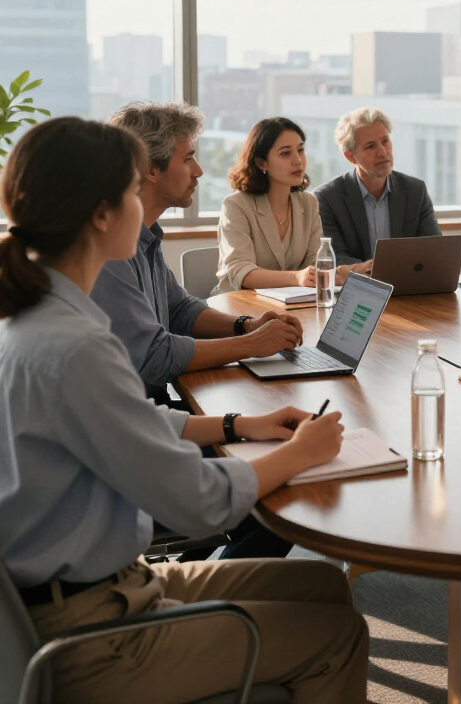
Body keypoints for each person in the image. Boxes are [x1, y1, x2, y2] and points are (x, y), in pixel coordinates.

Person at [0, 116, 368, 704]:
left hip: (108, 587)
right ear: (100, 214)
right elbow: (199, 502)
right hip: (98, 633)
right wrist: (299, 454)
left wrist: (237, 424)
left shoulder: (42, 318)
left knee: (321, 583)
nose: (140, 202)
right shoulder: (76, 346)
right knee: (339, 635)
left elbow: (125, 423)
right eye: (129, 190)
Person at [91, 103, 303, 406]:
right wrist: (250, 344)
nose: (199, 171)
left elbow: (179, 310)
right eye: (188, 159)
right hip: (132, 419)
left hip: (151, 411)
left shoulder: (143, 235)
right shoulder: (111, 248)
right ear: (151, 169)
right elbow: (155, 355)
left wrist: (245, 324)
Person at [215, 117, 369, 293]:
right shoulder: (236, 206)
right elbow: (240, 272)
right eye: (285, 153)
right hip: (239, 305)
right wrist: (296, 278)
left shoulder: (308, 203)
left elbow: (312, 266)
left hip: (290, 303)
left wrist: (349, 270)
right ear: (261, 163)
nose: (298, 160)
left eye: (300, 150)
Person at [314, 106, 441, 265]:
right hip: (357, 287)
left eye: (385, 141)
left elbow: (435, 250)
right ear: (350, 156)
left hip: (407, 286)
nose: (382, 152)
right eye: (370, 146)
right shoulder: (328, 198)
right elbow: (335, 258)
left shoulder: (415, 191)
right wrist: (381, 269)